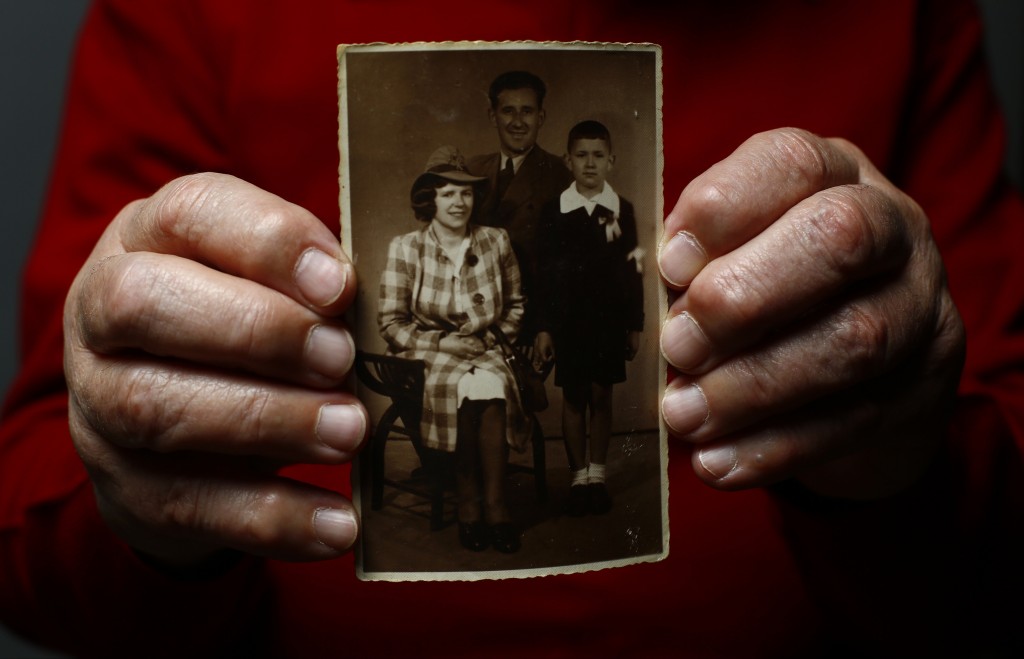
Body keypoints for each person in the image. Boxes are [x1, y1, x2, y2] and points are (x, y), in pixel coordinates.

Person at [1, 1, 1022, 657]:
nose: (460, 200)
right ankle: (483, 497)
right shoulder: (184, 19)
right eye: (445, 192)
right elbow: (32, 523)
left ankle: (505, 495)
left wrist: (898, 466)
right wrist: (148, 505)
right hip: (414, 390)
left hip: (549, 354)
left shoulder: (908, 16)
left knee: (527, 393)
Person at [377, 145, 525, 554]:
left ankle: (496, 506)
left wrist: (490, 339)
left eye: (466, 193)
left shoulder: (495, 241)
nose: (458, 202)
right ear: (430, 199)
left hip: (484, 345)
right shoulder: (406, 247)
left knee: (492, 385)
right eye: (447, 194)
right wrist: (442, 343)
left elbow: (516, 305)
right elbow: (390, 322)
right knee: (458, 388)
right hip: (429, 352)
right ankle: (469, 506)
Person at [534, 120, 644, 516]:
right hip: (569, 322)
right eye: (582, 155)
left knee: (601, 393)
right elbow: (543, 275)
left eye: (598, 155)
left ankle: (597, 475)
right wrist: (544, 328)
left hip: (608, 321)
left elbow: (633, 269)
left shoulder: (622, 209)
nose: (590, 163)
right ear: (568, 160)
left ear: (611, 160)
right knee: (574, 395)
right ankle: (578, 477)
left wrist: (635, 324)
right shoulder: (554, 210)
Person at [467, 70, 573, 333]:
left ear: (541, 117)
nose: (517, 122)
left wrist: (544, 329)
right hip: (472, 313)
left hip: (531, 318)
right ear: (493, 116)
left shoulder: (561, 175)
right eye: (508, 111)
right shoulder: (471, 170)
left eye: (526, 111)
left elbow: (565, 264)